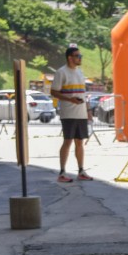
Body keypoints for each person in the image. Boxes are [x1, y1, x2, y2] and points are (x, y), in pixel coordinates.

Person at [51, 45, 92, 182]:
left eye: (80, 56)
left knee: (80, 142)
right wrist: (70, 99)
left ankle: (81, 170)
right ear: (70, 58)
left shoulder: (80, 72)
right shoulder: (61, 72)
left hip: (81, 113)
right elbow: (53, 92)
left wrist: (88, 111)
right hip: (68, 112)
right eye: (77, 56)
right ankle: (62, 172)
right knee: (68, 141)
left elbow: (83, 93)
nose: (80, 58)